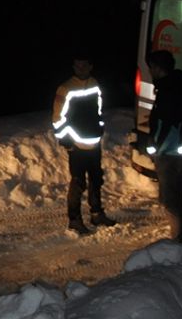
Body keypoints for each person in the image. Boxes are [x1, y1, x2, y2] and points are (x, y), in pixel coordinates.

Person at [51, 55, 117, 235]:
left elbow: (99, 109)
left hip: (94, 142)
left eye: (83, 65)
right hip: (77, 144)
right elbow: (57, 118)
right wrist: (66, 140)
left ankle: (97, 214)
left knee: (96, 179)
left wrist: (100, 127)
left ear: (90, 66)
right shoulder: (66, 88)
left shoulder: (95, 84)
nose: (80, 68)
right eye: (77, 65)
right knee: (78, 183)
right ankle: (74, 220)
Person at [145, 49, 182, 243]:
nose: (150, 71)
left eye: (151, 67)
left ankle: (177, 240)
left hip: (170, 153)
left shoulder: (168, 90)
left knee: (170, 200)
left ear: (158, 68)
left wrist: (155, 149)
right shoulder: (181, 84)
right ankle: (179, 236)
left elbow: (165, 125)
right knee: (176, 196)